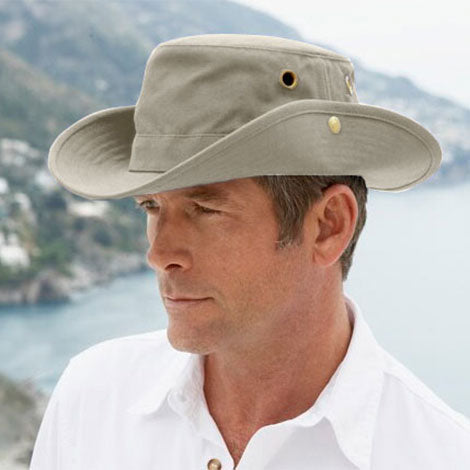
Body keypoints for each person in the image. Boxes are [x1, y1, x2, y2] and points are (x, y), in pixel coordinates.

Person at [30, 34, 470, 469]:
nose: (159, 254)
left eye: (206, 209)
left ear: (328, 226)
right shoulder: (92, 402)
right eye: (151, 206)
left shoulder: (441, 456)